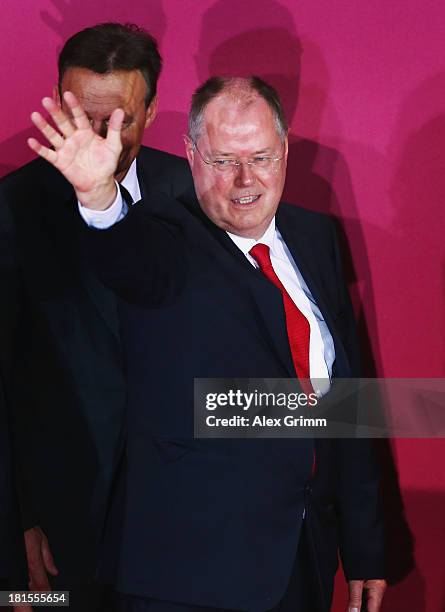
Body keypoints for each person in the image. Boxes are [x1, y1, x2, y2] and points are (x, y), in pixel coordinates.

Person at [28, 77, 387, 611]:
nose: (245, 179)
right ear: (192, 155)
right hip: (189, 579)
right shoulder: (165, 238)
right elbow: (126, 258)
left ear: (285, 152)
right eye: (223, 161)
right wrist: (99, 196)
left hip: (302, 562)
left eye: (261, 157)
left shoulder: (314, 236)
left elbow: (347, 402)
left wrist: (365, 546)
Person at [0, 22, 191, 611]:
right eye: (83, 113)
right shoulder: (10, 207)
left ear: (153, 110)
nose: (102, 136)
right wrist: (15, 528)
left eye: (122, 120)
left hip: (184, 523)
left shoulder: (196, 194)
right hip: (60, 532)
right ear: (59, 101)